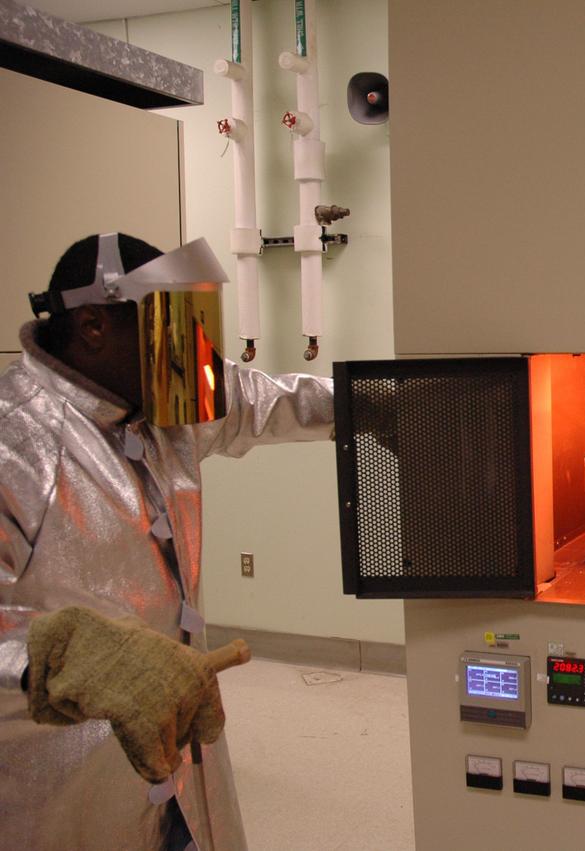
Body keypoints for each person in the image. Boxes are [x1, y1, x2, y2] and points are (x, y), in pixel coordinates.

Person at [0, 233, 335, 850]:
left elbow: (270, 399)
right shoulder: (16, 443)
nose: (198, 352)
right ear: (95, 326)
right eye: (175, 328)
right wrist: (69, 660)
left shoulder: (162, 403)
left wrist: (387, 400)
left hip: (177, 761)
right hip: (63, 780)